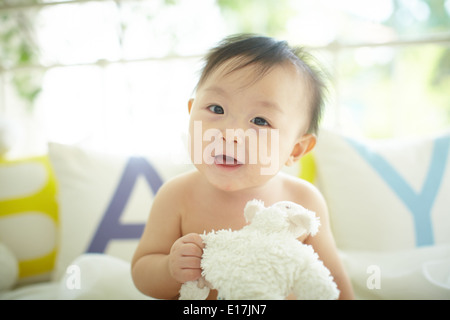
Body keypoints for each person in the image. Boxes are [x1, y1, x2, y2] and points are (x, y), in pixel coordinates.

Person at [131, 34, 354, 300]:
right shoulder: (177, 196)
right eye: (216, 108)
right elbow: (141, 271)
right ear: (192, 114)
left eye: (260, 121)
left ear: (295, 150)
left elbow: (334, 282)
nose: (231, 133)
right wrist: (170, 269)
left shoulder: (303, 202)